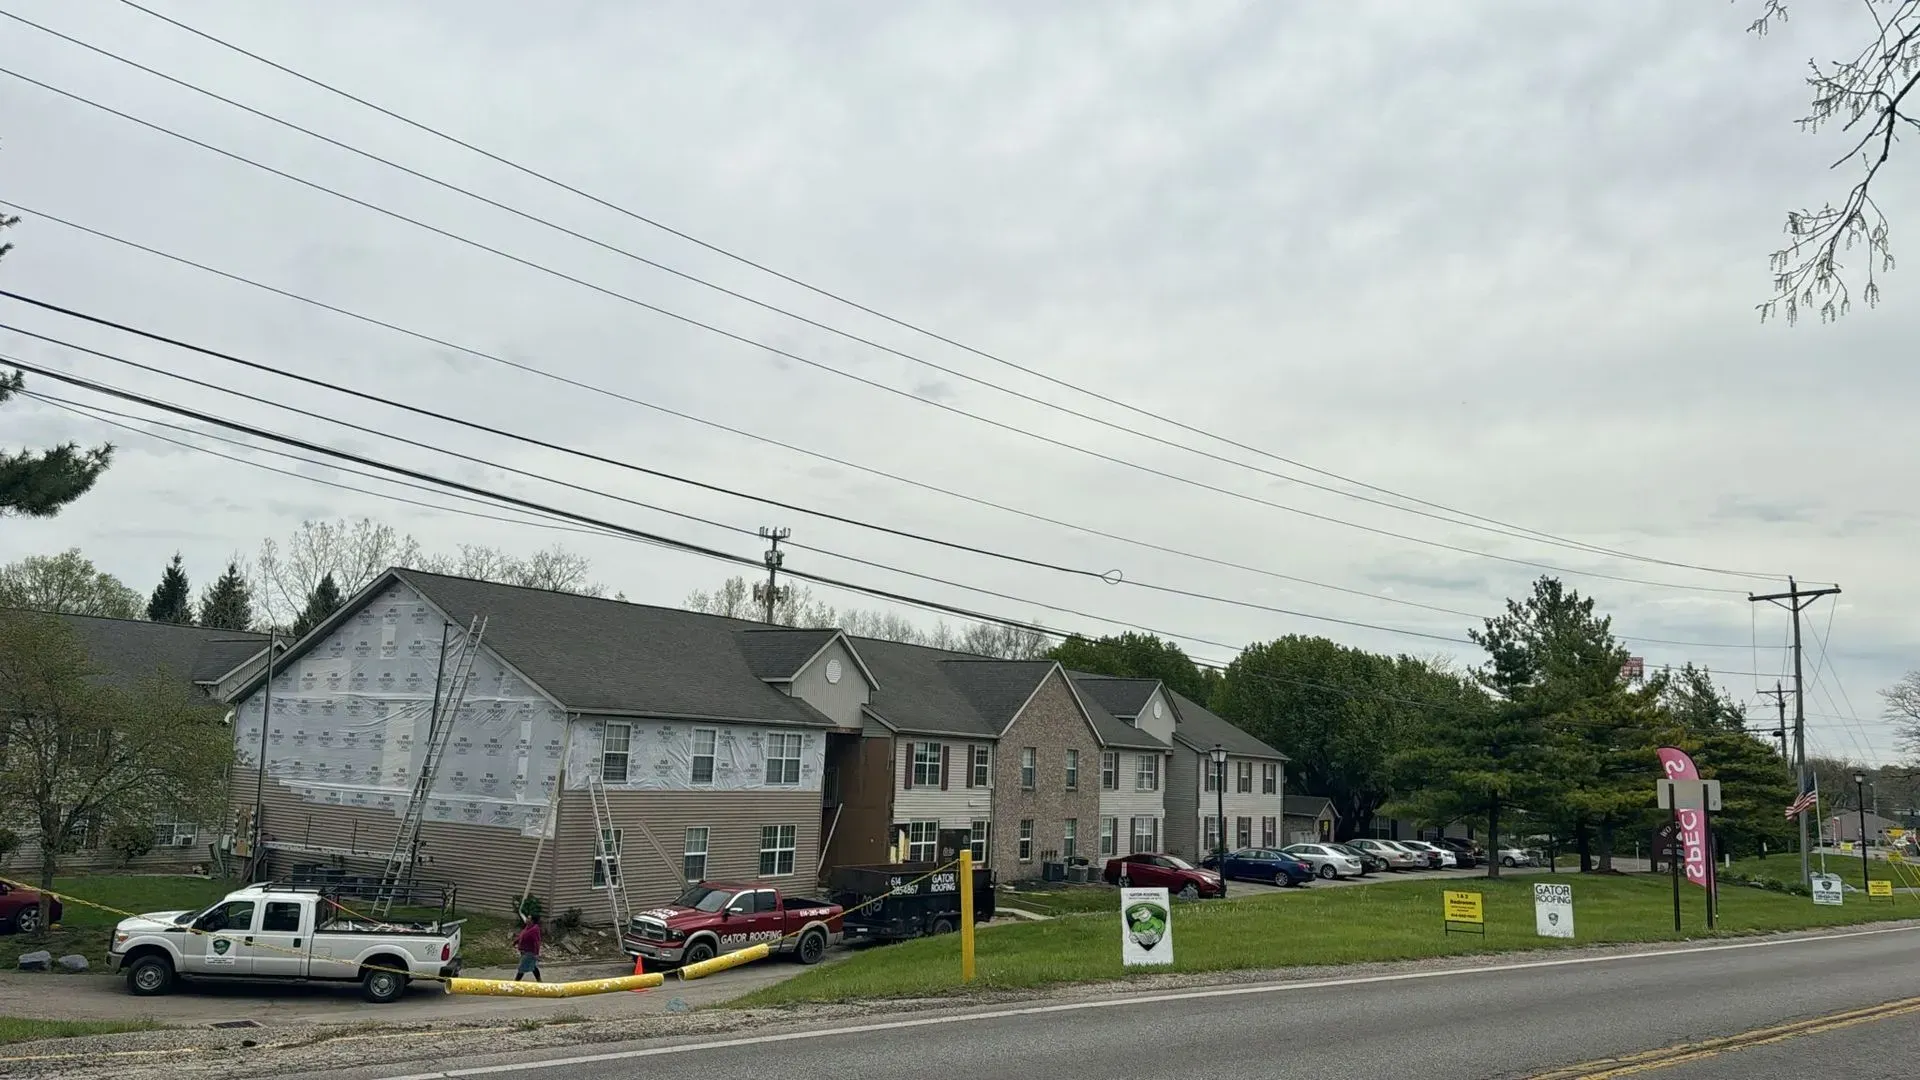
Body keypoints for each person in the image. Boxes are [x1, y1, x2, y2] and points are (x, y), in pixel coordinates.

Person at [513, 913, 543, 982]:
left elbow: (537, 942)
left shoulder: (534, 930)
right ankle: (539, 980)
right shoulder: (528, 926)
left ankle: (515, 983)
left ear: (532, 921)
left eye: (529, 918)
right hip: (524, 951)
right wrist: (516, 941)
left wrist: (536, 954)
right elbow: (522, 935)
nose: (527, 919)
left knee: (522, 967)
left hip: (530, 952)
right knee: (533, 966)